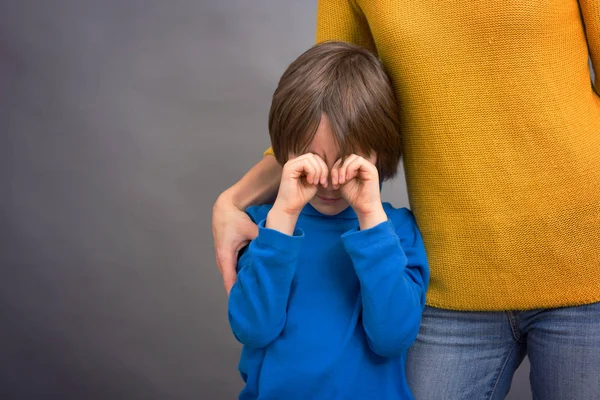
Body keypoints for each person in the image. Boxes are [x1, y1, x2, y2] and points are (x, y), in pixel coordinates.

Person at [214, 1, 600, 399]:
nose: (328, 175)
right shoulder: (288, 223)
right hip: (452, 274)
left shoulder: (395, 236)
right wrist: (232, 201)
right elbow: (324, 101)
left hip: (588, 252)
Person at [227, 41, 429, 400]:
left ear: (377, 153)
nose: (330, 179)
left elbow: (392, 337)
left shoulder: (395, 232)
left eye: (347, 161)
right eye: (311, 160)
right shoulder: (264, 228)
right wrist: (284, 218)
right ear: (283, 151)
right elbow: (252, 329)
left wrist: (371, 218)